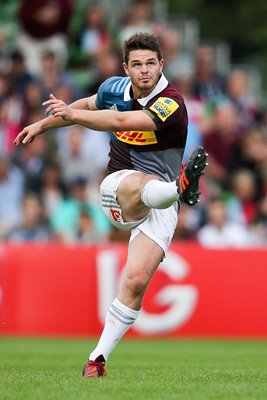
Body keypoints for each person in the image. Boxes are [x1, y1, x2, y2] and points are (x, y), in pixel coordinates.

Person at [14, 33, 208, 377]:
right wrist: (43, 124)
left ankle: (97, 359)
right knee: (145, 183)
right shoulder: (113, 89)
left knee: (135, 282)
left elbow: (116, 121)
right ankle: (180, 188)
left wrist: (71, 115)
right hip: (119, 190)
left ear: (161, 65)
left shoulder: (171, 104)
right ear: (126, 68)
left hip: (160, 203)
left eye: (151, 63)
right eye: (137, 64)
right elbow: (87, 106)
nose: (145, 70)